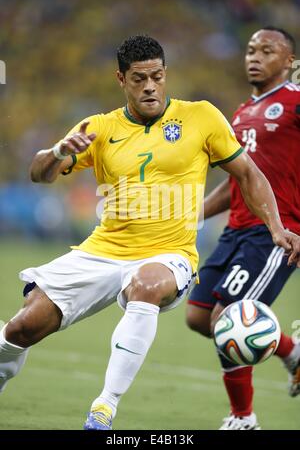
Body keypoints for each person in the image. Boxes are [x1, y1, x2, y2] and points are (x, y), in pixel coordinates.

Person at [0, 35, 299, 431]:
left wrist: (276, 227)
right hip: (102, 250)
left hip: (168, 255)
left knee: (146, 283)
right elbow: (39, 174)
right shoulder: (100, 127)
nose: (150, 87)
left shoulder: (202, 117)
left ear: (165, 74)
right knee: (21, 328)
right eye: (139, 78)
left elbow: (248, 174)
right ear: (121, 79)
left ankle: (103, 409)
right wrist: (56, 154)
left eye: (157, 76)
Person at [187, 26, 300, 430]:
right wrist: (195, 213)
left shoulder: (295, 102)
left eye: (267, 51)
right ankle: (291, 351)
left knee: (227, 317)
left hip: (277, 234)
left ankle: (243, 418)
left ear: (289, 61)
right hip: (236, 229)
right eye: (251, 49)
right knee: (198, 317)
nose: (254, 56)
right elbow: (240, 178)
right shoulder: (240, 112)